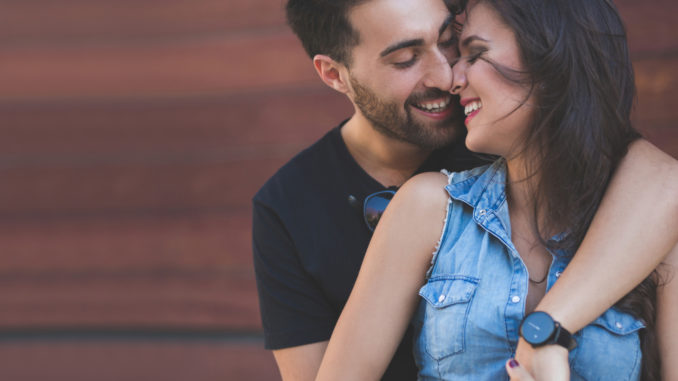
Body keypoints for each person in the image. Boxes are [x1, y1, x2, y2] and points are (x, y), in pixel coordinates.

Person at [252, 0, 678, 379]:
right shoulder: (298, 205)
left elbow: (659, 181)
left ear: (549, 59)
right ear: (334, 74)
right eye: (405, 59)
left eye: (452, 44)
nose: (447, 77)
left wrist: (545, 329)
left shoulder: (500, 126)